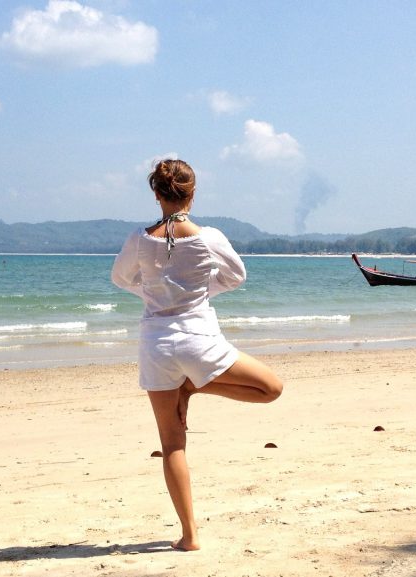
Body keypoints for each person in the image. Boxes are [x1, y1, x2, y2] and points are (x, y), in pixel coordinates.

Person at [110, 158, 283, 551]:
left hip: (156, 345)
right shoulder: (209, 237)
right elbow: (236, 276)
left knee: (173, 445)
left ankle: (189, 537)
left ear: (156, 194)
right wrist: (202, 292)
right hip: (199, 340)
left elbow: (120, 278)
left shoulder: (138, 239)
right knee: (271, 388)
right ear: (192, 192)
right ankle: (197, 387)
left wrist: (153, 292)